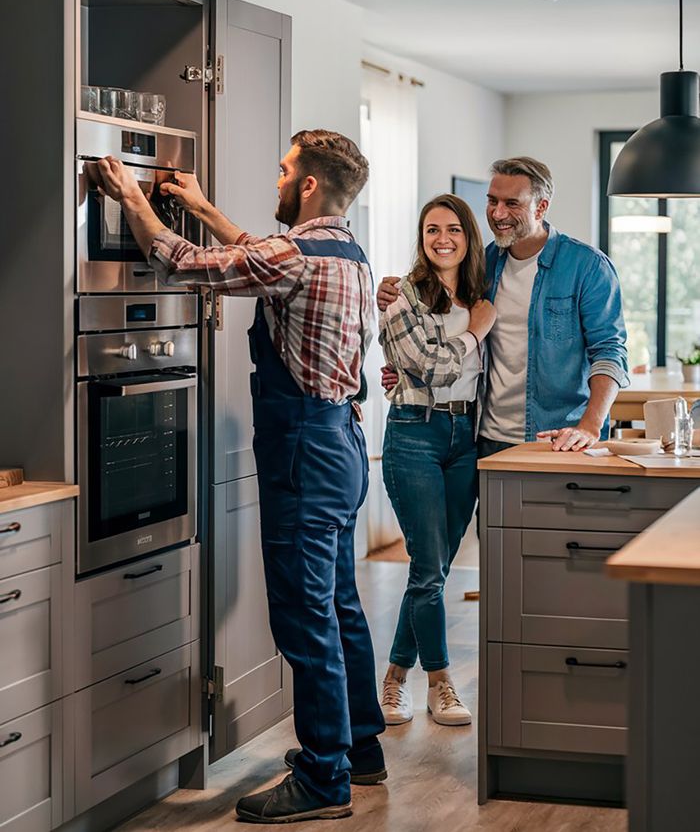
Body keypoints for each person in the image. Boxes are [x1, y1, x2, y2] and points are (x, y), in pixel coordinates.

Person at [91, 129, 386, 824]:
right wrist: (204, 202)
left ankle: (323, 777)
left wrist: (132, 195)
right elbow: (260, 254)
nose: (279, 178)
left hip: (303, 452)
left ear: (308, 184)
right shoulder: (345, 251)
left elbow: (184, 260)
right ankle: (360, 747)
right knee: (339, 601)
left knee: (304, 614)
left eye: (286, 170)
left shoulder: (293, 256)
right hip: (340, 442)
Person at [378, 157, 628, 456]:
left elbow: (609, 351)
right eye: (492, 201)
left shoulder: (586, 266)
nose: (498, 213)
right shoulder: (483, 264)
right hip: (485, 435)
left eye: (512, 203)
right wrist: (393, 297)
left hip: (559, 437)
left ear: (541, 207)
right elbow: (440, 317)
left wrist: (590, 424)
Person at [377, 194, 496, 727]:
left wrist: (480, 321)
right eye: (431, 230)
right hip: (415, 436)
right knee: (428, 569)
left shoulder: (480, 292)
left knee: (436, 570)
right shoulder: (403, 296)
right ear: (421, 239)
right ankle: (441, 683)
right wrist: (477, 330)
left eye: (453, 229)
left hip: (465, 439)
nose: (442, 238)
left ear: (469, 237)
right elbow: (429, 369)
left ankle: (394, 678)